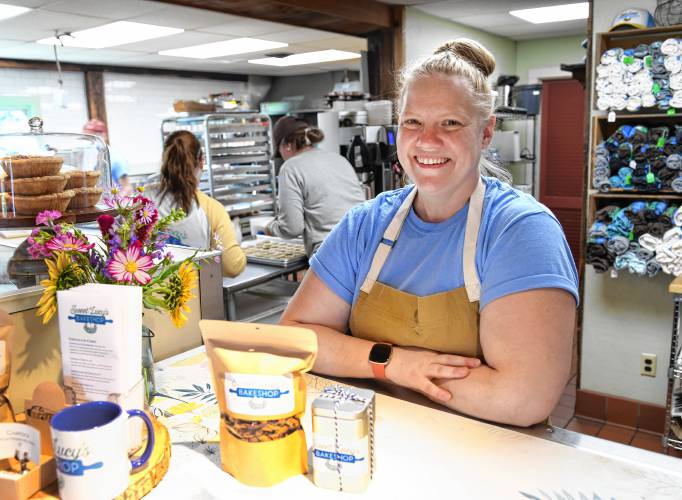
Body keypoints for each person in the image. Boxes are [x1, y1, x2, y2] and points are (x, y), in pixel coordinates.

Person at [280, 39, 579, 427]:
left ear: (486, 133)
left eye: (450, 123)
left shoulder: (520, 231)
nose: (427, 140)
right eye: (413, 122)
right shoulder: (364, 225)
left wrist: (364, 359)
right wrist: (395, 363)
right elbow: (295, 338)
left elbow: (522, 398)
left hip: (485, 451)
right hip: (371, 434)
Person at [145, 130, 246, 278]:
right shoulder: (211, 209)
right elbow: (232, 267)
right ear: (201, 161)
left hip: (149, 296)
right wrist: (236, 242)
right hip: (194, 296)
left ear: (165, 160)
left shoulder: (144, 198)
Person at [265, 116, 366, 256]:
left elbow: (291, 228)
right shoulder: (339, 159)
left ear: (287, 144)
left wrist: (268, 227)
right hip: (366, 245)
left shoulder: (290, 167)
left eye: (279, 150)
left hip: (332, 253)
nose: (281, 155)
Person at [82, 119, 132, 194]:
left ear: (103, 136)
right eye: (85, 138)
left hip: (111, 200)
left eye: (90, 138)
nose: (88, 142)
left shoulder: (114, 158)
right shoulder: (89, 156)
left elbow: (127, 187)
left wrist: (115, 202)